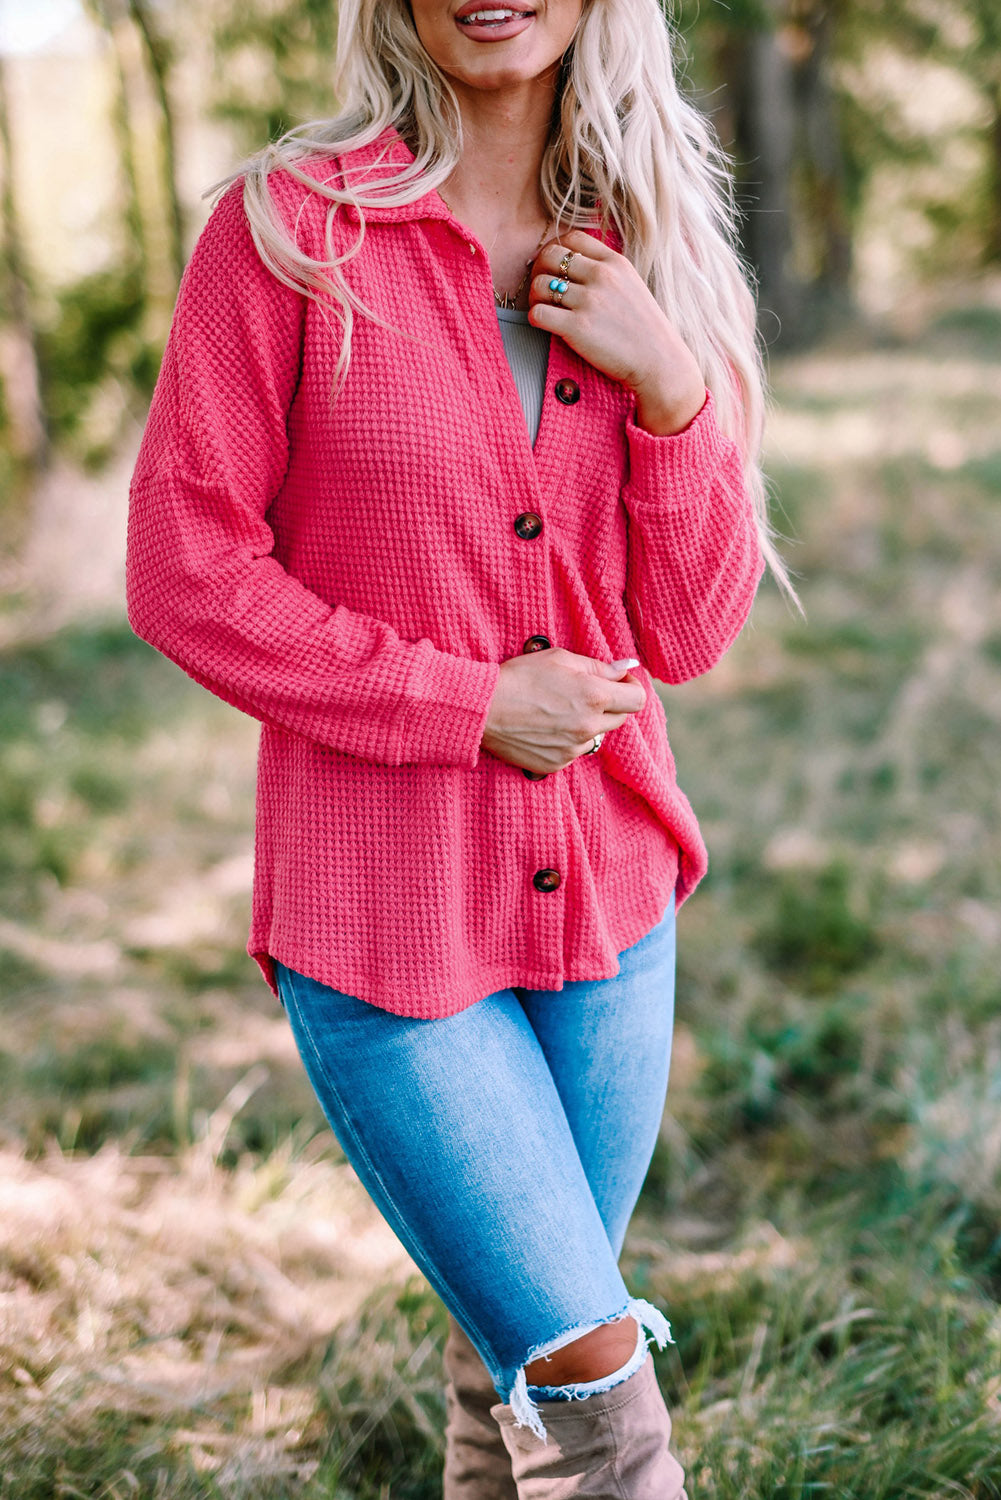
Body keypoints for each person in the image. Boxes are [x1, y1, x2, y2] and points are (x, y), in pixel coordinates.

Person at [127, 0, 791, 1493]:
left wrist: (669, 386)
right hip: (382, 925)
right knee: (595, 1397)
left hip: (612, 914)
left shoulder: (654, 235)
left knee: (513, 1377)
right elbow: (186, 567)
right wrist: (468, 703)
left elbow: (687, 633)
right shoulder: (287, 233)